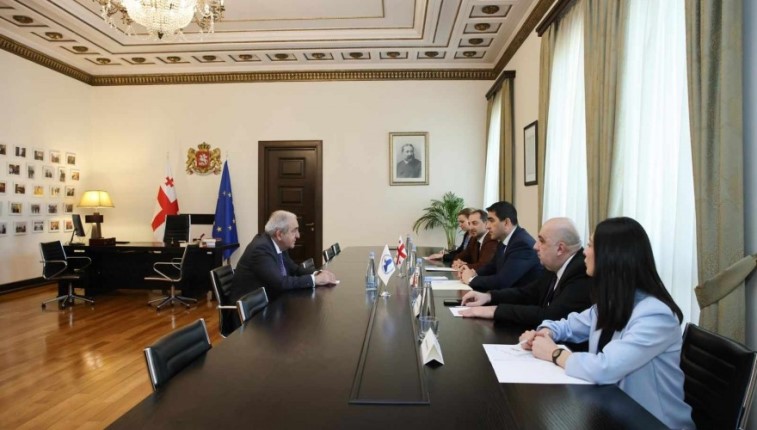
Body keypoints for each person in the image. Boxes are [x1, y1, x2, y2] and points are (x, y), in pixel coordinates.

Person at [520, 217, 694, 429]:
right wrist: (545, 332)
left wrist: (554, 353)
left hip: (653, 422)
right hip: (612, 411)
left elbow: (606, 367)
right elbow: (569, 326)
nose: (584, 252)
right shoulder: (612, 302)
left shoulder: (655, 315)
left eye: (590, 245)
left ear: (612, 255)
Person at [458, 217, 592, 326]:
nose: (535, 246)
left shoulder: (581, 271)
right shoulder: (554, 265)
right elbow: (528, 293)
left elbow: (550, 315)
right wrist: (489, 297)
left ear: (560, 249)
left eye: (541, 241)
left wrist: (495, 311)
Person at [229, 210, 337, 305]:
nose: (298, 235)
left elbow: (295, 270)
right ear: (279, 234)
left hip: (272, 301)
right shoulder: (261, 249)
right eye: (294, 231)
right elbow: (280, 283)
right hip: (252, 312)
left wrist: (318, 273)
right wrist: (314, 280)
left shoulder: (278, 245)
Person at [460, 201, 541, 291]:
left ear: (506, 223)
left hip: (520, 298)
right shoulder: (504, 240)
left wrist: (471, 279)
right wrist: (474, 273)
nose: (487, 226)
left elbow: (502, 281)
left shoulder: (522, 244)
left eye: (491, 221)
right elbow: (492, 266)